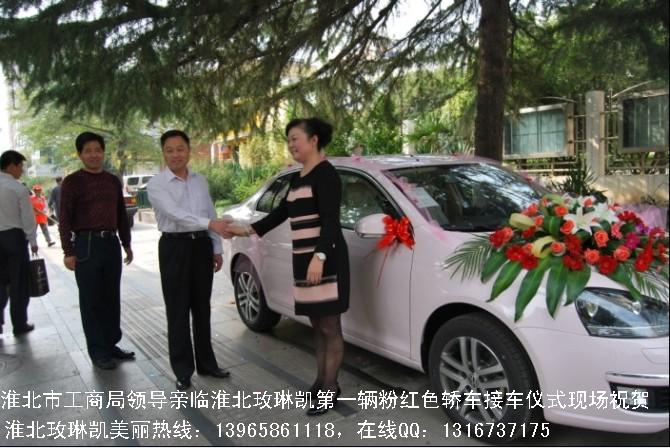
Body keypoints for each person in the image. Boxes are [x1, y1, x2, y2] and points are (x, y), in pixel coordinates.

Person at [224, 117, 349, 416]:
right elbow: (279, 214)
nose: (291, 144)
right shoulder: (297, 178)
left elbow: (331, 223)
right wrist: (244, 229)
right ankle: (321, 380)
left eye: (296, 138)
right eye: (288, 140)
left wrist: (320, 257)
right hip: (304, 260)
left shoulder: (326, 174)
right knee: (317, 324)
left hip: (325, 260)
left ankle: (330, 387)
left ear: (314, 140)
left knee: (330, 326)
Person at [146, 129, 231, 391]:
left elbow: (210, 211)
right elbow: (175, 214)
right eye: (169, 150)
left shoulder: (199, 180)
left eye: (180, 149)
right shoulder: (157, 184)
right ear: (163, 153)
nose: (175, 154)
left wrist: (216, 248)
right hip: (174, 247)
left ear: (188, 151)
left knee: (202, 308)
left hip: (201, 246)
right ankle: (183, 370)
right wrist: (211, 224)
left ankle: (207, 363)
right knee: (178, 310)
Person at [58, 132, 135, 370]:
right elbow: (64, 219)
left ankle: (111, 345)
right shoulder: (72, 182)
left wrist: (126, 243)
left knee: (111, 297)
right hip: (86, 245)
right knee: (91, 300)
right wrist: (68, 251)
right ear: (80, 154)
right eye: (88, 151)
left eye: (97, 150)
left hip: (111, 243)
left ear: (103, 152)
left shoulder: (112, 180)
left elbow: (120, 213)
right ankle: (98, 351)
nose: (93, 155)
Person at [0, 150, 38, 336]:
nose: (21, 170)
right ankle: (19, 323)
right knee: (18, 283)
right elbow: (27, 218)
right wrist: (33, 240)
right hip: (14, 239)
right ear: (11, 166)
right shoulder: (18, 189)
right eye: (20, 166)